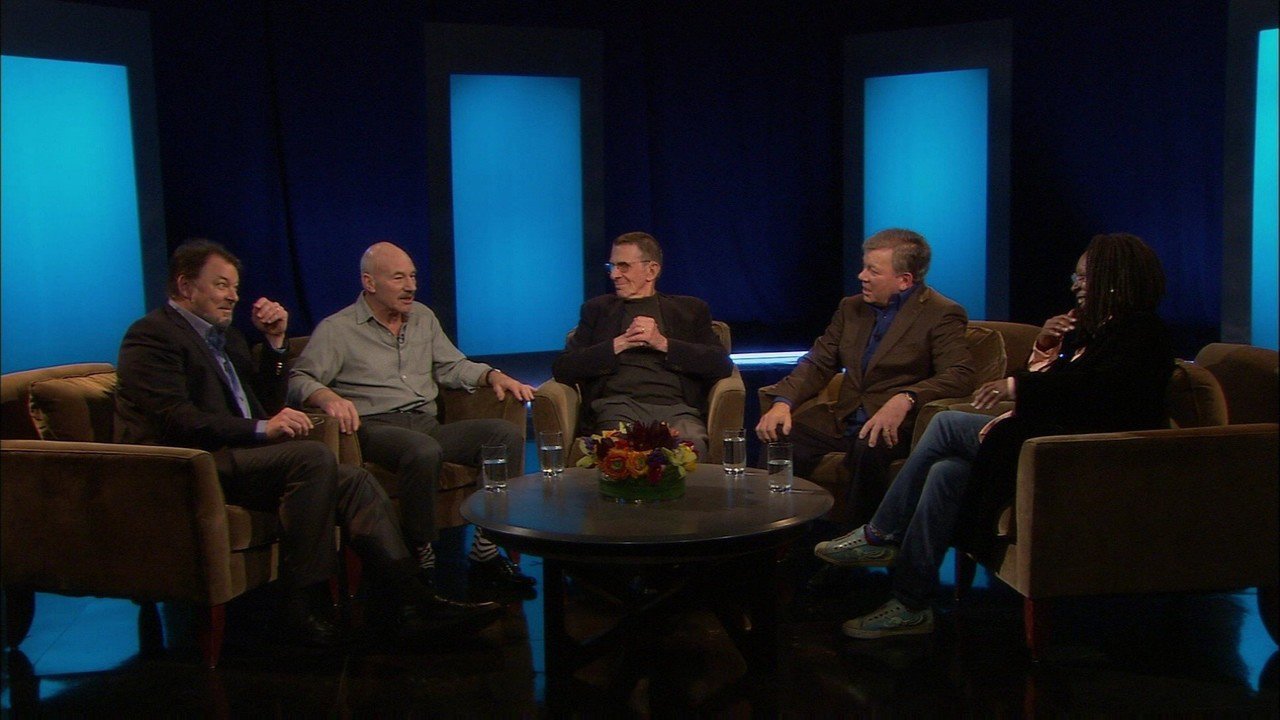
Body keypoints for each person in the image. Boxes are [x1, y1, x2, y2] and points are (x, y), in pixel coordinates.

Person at [115, 239, 502, 647]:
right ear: (185, 285)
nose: (233, 296)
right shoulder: (152, 336)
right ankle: (302, 607)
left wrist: (276, 345)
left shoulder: (225, 338)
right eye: (221, 285)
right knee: (312, 457)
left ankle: (411, 602)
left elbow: (266, 402)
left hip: (238, 456)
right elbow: (176, 419)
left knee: (355, 481)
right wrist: (261, 430)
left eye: (235, 287)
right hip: (188, 463)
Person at [819, 232, 1175, 639]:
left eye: (1084, 277)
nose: (1075, 285)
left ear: (1113, 279)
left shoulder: (1142, 333)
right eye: (1075, 277)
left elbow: (1094, 394)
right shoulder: (1096, 331)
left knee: (946, 424)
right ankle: (911, 604)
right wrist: (1046, 347)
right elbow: (1063, 384)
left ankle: (879, 533)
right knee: (945, 473)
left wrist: (1015, 386)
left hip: (1077, 455)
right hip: (1048, 439)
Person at [288, 242, 537, 594]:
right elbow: (299, 379)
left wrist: (492, 375)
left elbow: (452, 365)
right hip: (373, 428)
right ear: (369, 283)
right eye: (399, 278)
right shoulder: (337, 329)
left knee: (504, 434)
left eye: (413, 276)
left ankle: (485, 550)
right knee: (421, 451)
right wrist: (327, 397)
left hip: (425, 424)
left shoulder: (423, 317)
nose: (411, 286)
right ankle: (420, 555)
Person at [756, 228, 977, 525]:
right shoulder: (851, 307)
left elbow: (960, 374)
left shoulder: (941, 313)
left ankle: (862, 538)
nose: (862, 276)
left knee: (868, 447)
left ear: (904, 280)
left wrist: (907, 398)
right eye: (864, 267)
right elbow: (819, 362)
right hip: (843, 418)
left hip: (894, 426)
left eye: (873, 271)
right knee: (779, 435)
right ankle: (772, 530)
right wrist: (783, 402)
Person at [551, 231, 733, 457]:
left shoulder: (690, 310)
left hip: (677, 410)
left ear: (652, 270)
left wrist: (663, 343)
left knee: (691, 448)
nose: (614, 275)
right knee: (619, 454)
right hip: (618, 408)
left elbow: (721, 364)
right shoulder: (597, 310)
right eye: (612, 266)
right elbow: (563, 368)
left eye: (624, 266)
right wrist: (619, 343)